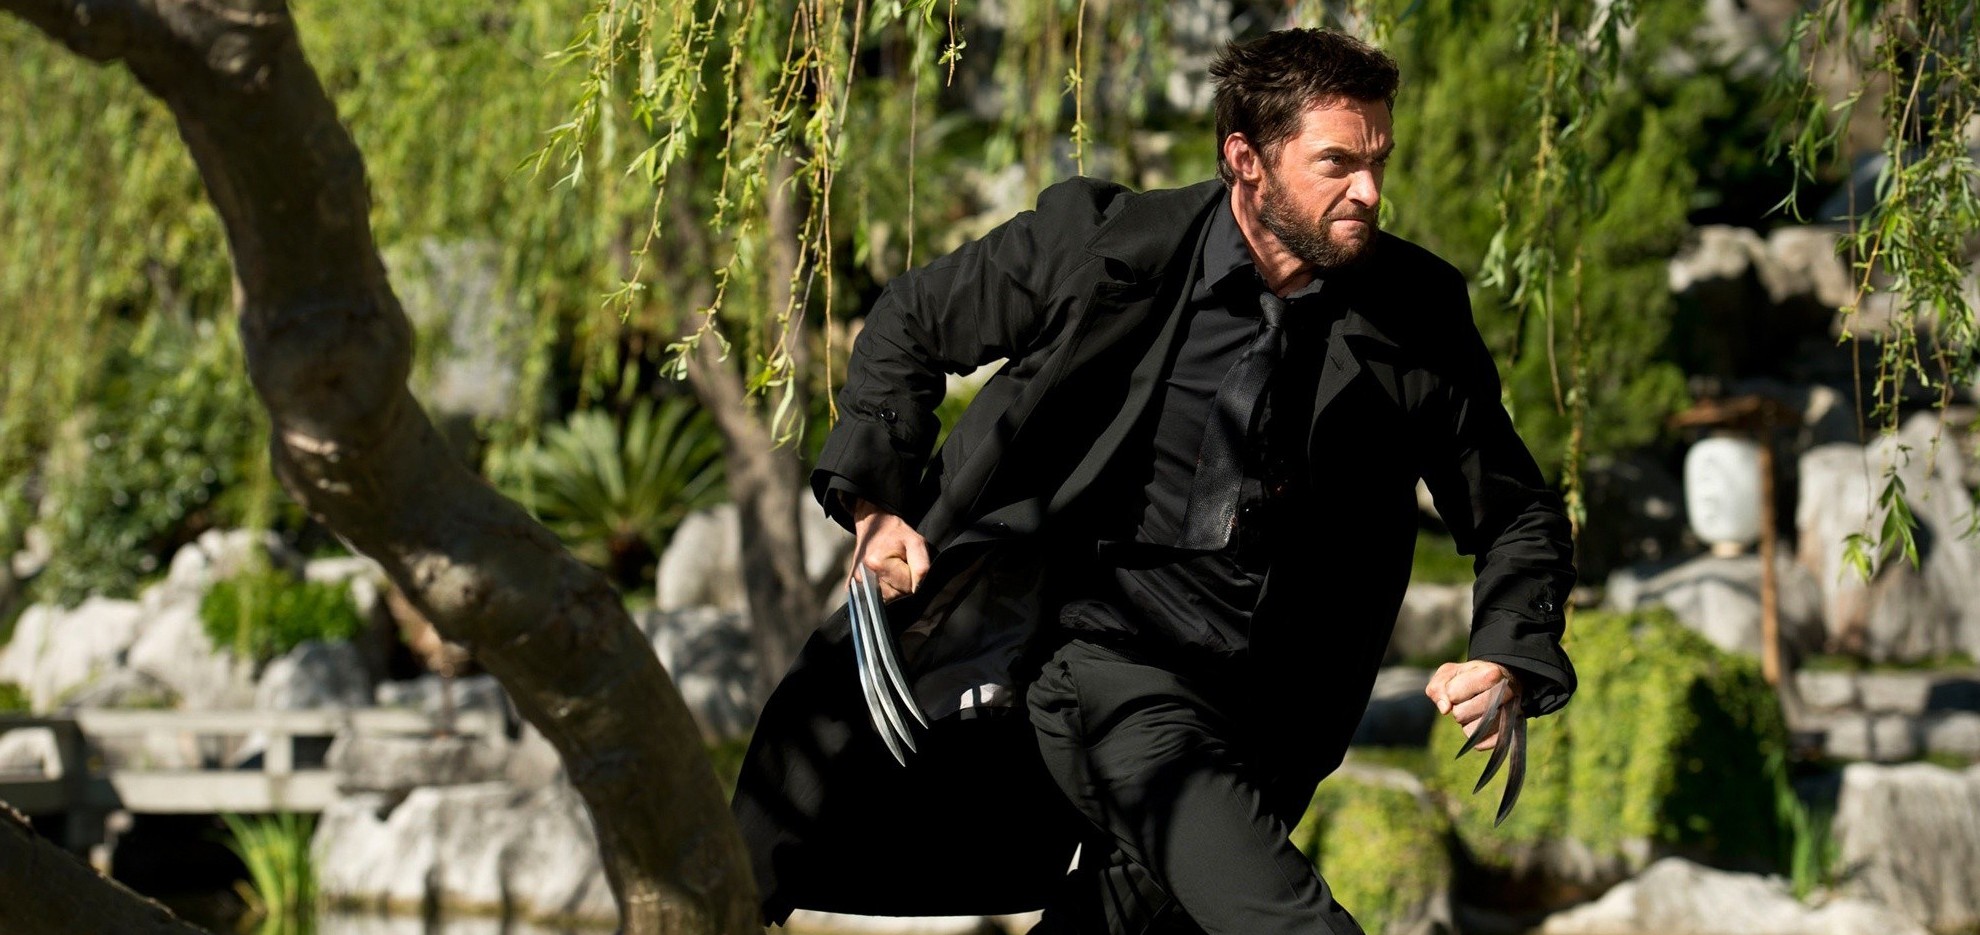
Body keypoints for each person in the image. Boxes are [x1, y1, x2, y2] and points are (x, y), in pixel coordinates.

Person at [730, 27, 1577, 935]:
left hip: (1273, 725)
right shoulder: (1103, 246)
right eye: (1337, 162)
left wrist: (1506, 651)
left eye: (1379, 161)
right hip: (1112, 672)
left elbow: (1516, 510)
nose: (1369, 191)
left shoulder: (1416, 311)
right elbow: (912, 320)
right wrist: (876, 505)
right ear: (1245, 160)